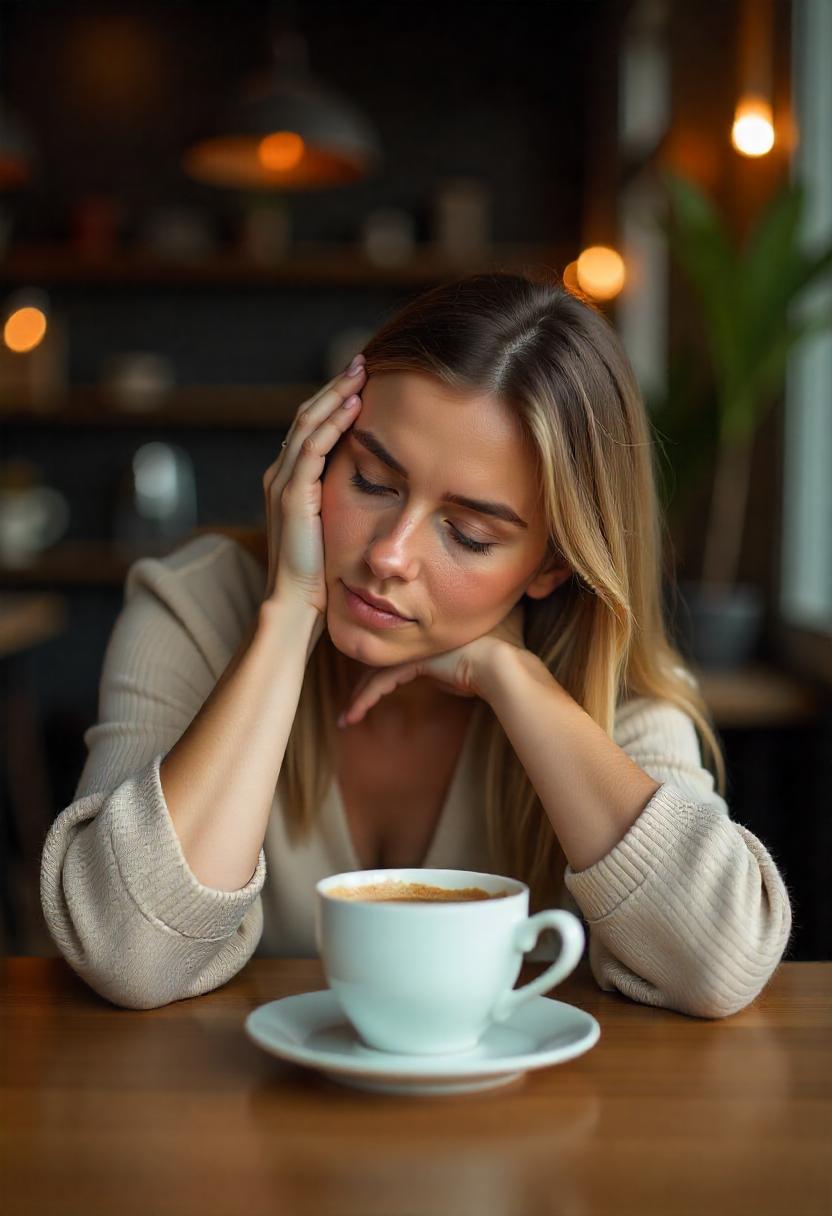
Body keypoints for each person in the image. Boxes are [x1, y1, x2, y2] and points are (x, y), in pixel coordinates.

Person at [40, 273, 792, 1014]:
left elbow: (714, 962)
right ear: (317, 452)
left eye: (467, 534)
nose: (389, 555)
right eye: (370, 481)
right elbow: (127, 952)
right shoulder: (196, 606)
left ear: (553, 564)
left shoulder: (604, 675)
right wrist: (288, 618)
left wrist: (509, 675)